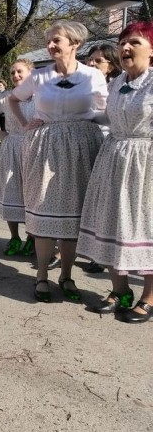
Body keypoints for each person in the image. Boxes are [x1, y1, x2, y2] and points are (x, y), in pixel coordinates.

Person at [8, 20, 107, 303]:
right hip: (46, 145)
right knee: (43, 209)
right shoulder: (38, 76)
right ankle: (41, 275)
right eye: (49, 41)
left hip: (81, 145)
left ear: (74, 44)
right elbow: (13, 100)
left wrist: (90, 125)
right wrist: (26, 124)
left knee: (73, 214)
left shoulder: (92, 76)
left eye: (56, 41)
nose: (50, 46)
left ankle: (66, 275)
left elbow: (104, 111)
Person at [79, 21, 153, 323]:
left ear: (151, 50)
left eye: (134, 42)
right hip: (114, 158)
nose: (125, 48)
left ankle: (149, 298)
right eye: (123, 42)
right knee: (111, 222)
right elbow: (106, 116)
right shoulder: (117, 82)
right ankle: (120, 289)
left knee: (145, 225)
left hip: (146, 161)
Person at [0, 59, 36, 257]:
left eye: (19, 71)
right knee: (11, 191)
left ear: (31, 72)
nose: (15, 76)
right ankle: (14, 237)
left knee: (33, 193)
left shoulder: (42, 96)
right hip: (12, 147)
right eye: (12, 73)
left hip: (35, 147)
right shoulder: (5, 97)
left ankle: (32, 238)